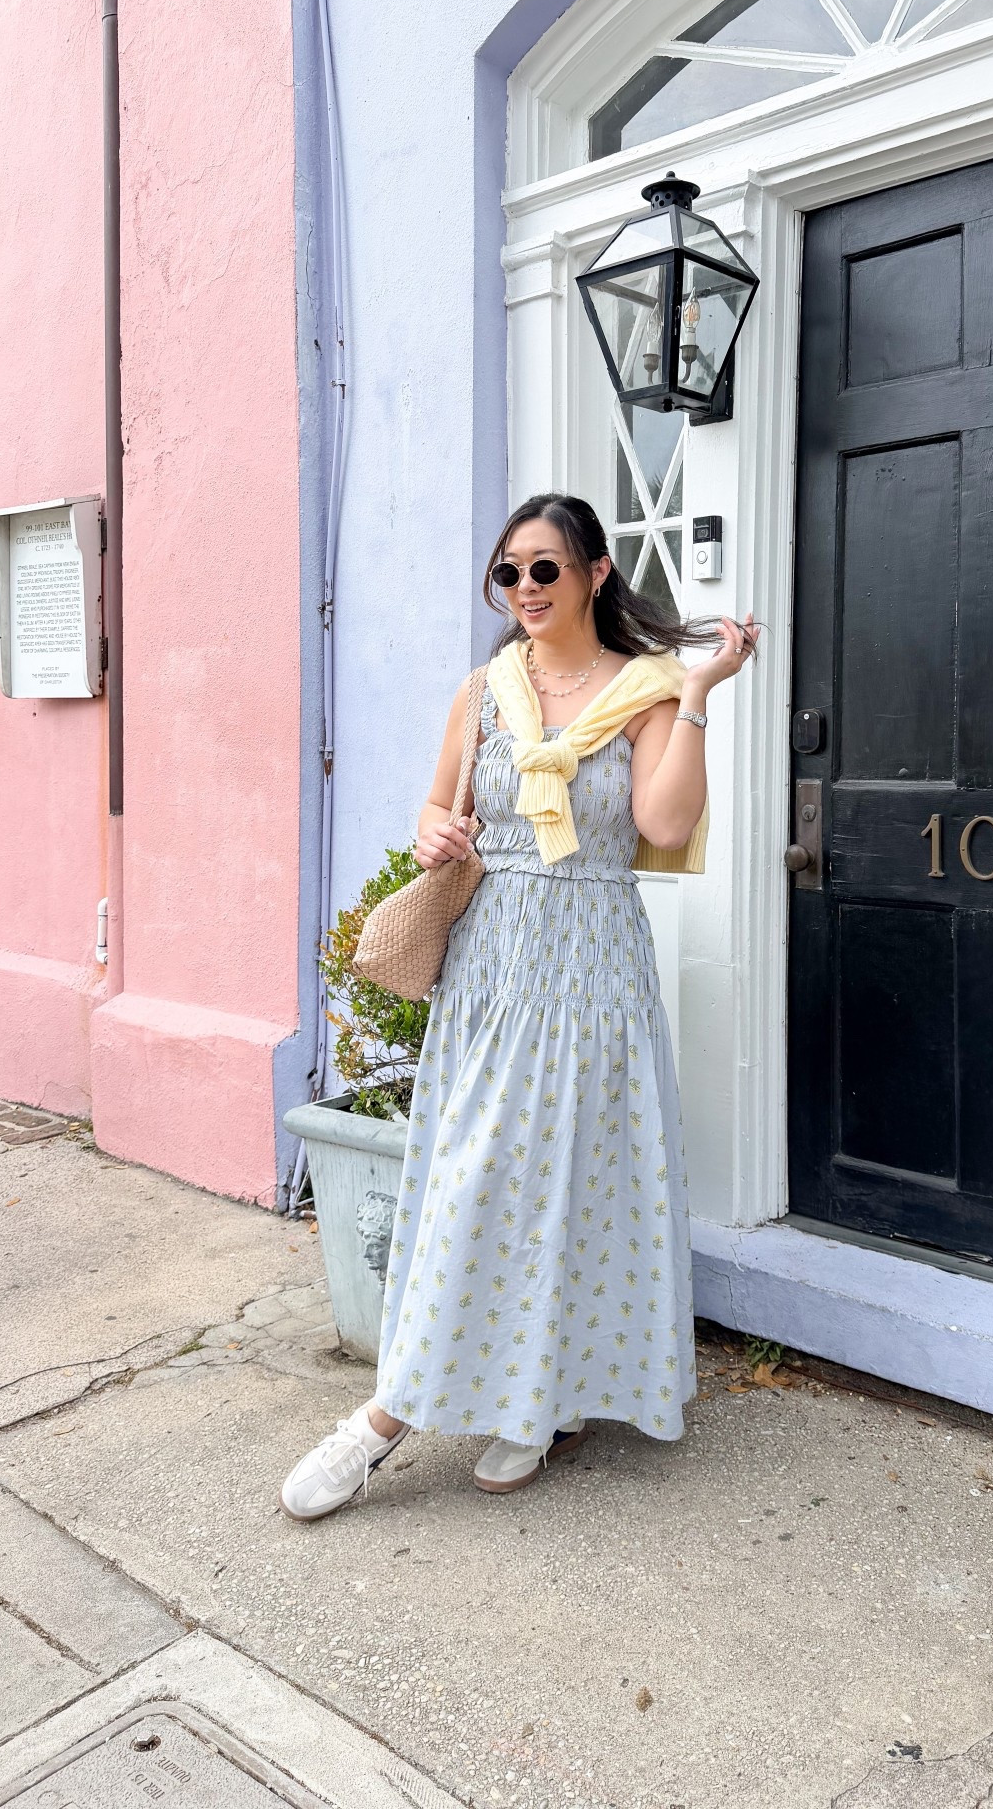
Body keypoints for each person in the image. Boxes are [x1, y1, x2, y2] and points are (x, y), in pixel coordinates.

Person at [281, 492, 759, 1518]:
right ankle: (389, 1415)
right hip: (492, 967)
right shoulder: (484, 691)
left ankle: (543, 1402)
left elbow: (663, 820)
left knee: (573, 1185)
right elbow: (436, 804)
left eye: (545, 568)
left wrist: (699, 692)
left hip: (592, 967)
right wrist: (433, 833)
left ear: (596, 573)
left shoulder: (646, 689)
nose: (525, 588)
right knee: (476, 1178)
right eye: (508, 572)